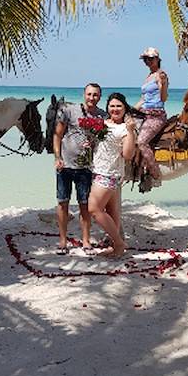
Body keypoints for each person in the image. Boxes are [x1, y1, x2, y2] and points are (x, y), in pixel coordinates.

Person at [52, 83, 106, 255]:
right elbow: (57, 135)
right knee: (62, 203)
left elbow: (104, 140)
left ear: (100, 97)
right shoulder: (69, 111)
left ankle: (85, 240)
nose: (92, 98)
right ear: (84, 94)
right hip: (65, 166)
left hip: (86, 168)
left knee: (84, 206)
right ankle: (62, 241)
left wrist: (93, 143)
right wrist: (57, 157)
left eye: (95, 95)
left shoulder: (102, 116)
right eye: (89, 94)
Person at [88, 92, 137, 258]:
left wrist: (131, 132)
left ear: (125, 108)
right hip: (100, 170)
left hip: (109, 174)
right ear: (107, 107)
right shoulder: (103, 123)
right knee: (112, 212)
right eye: (112, 106)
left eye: (119, 106)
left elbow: (128, 155)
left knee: (93, 209)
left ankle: (119, 242)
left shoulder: (125, 128)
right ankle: (116, 249)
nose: (115, 109)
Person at [134, 47, 168, 183]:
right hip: (144, 113)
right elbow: (143, 99)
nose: (147, 61)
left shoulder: (161, 75)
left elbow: (163, 98)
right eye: (145, 59)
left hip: (156, 115)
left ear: (157, 59)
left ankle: (155, 173)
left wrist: (164, 84)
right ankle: (135, 169)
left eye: (150, 58)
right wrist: (129, 110)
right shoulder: (148, 77)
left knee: (141, 142)